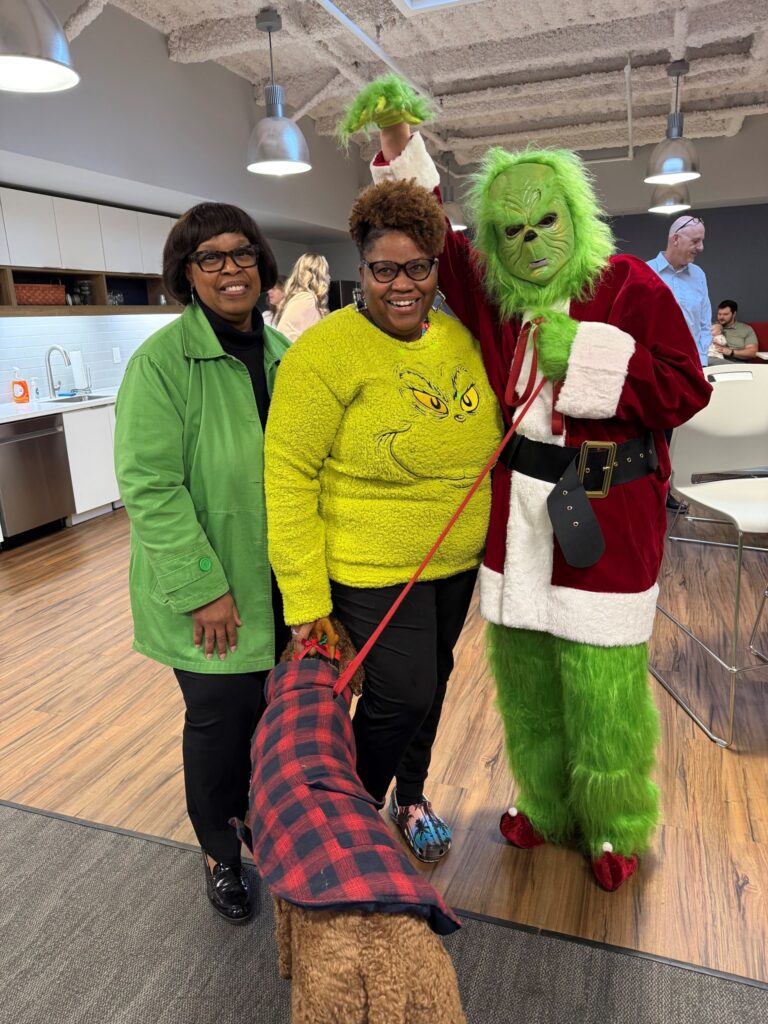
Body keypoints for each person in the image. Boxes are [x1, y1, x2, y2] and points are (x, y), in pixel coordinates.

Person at [338, 75, 711, 890]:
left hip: (610, 515)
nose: (531, 241)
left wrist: (591, 358)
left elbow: (687, 389)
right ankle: (544, 803)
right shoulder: (497, 294)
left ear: (575, 215)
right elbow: (440, 236)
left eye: (546, 221)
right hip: (520, 521)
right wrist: (399, 141)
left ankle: (613, 823)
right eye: (512, 230)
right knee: (528, 677)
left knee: (603, 686)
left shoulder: (628, 284)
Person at [264, 179, 502, 863]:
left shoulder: (458, 338)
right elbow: (288, 475)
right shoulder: (324, 352)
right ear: (361, 268)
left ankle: (413, 795)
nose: (402, 285)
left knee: (433, 683)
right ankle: (349, 817)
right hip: (369, 563)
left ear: (435, 267)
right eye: (383, 269)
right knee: (403, 693)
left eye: (417, 267)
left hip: (454, 561)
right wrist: (305, 600)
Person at [114, 202, 290, 923]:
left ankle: (268, 826)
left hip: (280, 578)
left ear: (261, 264)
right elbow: (150, 486)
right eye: (210, 258)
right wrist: (203, 589)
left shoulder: (284, 353)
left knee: (275, 715)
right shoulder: (161, 364)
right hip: (211, 590)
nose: (230, 269)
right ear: (187, 273)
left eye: (242, 253)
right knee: (219, 721)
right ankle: (220, 851)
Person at [646, 216, 711, 368]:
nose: (701, 247)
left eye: (702, 241)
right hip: (656, 366)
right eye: (695, 241)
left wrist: (701, 361)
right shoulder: (645, 272)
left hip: (692, 365)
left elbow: (704, 322)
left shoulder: (699, 275)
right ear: (676, 239)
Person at [272, 252, 330, 342]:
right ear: (318, 276)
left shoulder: (302, 298)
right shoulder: (307, 299)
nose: (329, 277)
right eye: (326, 273)